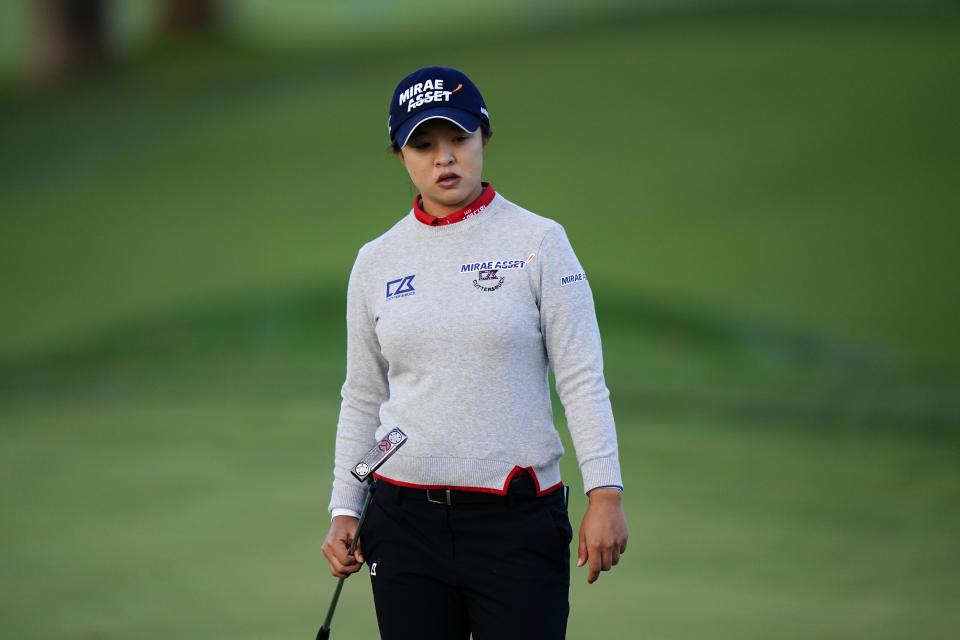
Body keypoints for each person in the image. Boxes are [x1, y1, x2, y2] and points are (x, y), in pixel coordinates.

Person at [321, 66, 628, 640]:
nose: (445, 159)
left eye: (459, 139)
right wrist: (345, 507)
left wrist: (604, 491)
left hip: (515, 521)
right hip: (401, 520)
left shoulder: (539, 242)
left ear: (484, 138)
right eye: (424, 144)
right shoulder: (376, 261)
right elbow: (364, 394)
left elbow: (582, 378)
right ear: (400, 155)